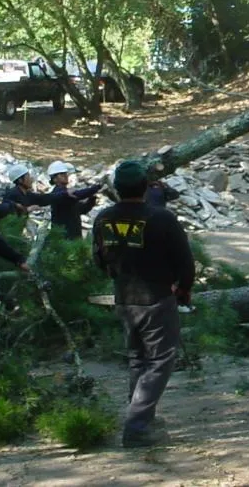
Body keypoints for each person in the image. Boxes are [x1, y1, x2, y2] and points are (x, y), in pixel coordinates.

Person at [92, 159, 195, 448]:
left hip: (124, 299)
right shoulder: (161, 218)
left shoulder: (103, 219)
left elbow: (99, 259)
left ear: (117, 188)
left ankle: (141, 416)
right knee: (161, 360)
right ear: (145, 186)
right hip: (156, 298)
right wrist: (183, 288)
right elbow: (185, 262)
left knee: (138, 359)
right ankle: (137, 425)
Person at [47, 160, 101, 240]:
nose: (66, 175)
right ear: (54, 179)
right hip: (63, 239)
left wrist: (92, 199)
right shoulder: (58, 193)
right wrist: (96, 187)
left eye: (65, 173)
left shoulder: (67, 194)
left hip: (73, 237)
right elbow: (78, 195)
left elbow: (81, 209)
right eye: (62, 174)